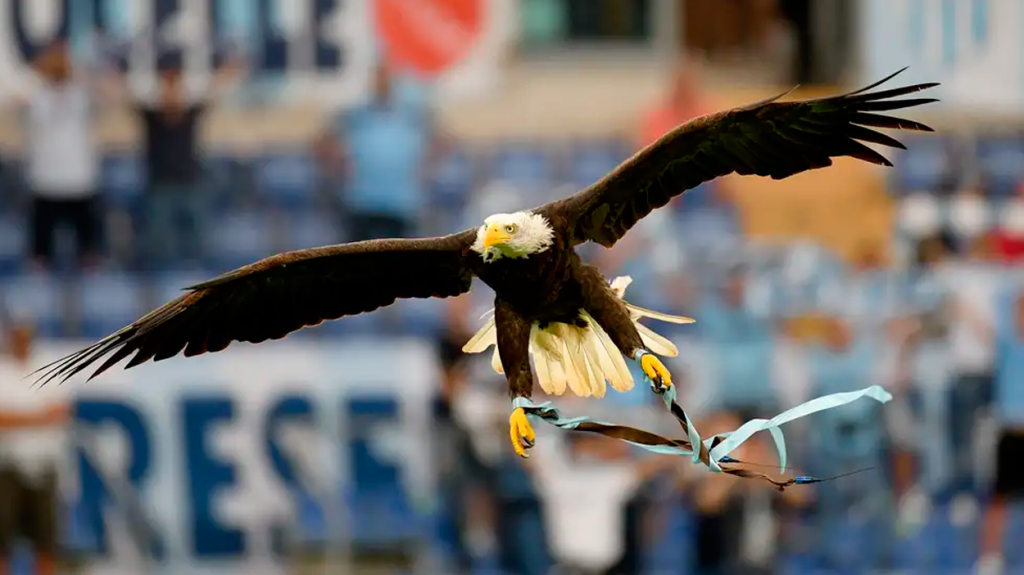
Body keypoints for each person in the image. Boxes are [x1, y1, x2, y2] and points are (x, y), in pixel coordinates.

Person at [128, 52, 247, 268]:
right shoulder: (151, 115)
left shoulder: (191, 112)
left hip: (191, 186)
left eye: (175, 83)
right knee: (160, 246)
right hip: (160, 188)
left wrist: (233, 67)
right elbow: (118, 93)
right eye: (167, 83)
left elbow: (216, 88)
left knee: (199, 245)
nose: (172, 90)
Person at [314, 62, 445, 242]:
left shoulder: (412, 114)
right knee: (359, 262)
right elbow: (323, 140)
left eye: (387, 78)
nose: (382, 83)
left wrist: (427, 169)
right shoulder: (356, 114)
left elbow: (442, 138)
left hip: (401, 203)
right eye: (378, 78)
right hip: (362, 200)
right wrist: (337, 167)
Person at [14, 38, 104, 270]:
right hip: (46, 181)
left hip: (79, 181)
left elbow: (105, 93)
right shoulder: (36, 95)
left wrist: (77, 69)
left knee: (88, 253)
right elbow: (18, 91)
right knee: (40, 254)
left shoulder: (80, 94)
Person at [0, 322, 71, 575]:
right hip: (7, 464)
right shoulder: (2, 370)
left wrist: (18, 419)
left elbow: (61, 412)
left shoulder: (48, 367)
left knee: (46, 541)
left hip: (43, 463)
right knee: (2, 539)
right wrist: (39, 417)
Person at [976, 288, 1024, 575]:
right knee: (999, 498)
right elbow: (979, 324)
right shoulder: (1006, 344)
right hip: (1010, 433)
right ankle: (990, 555)